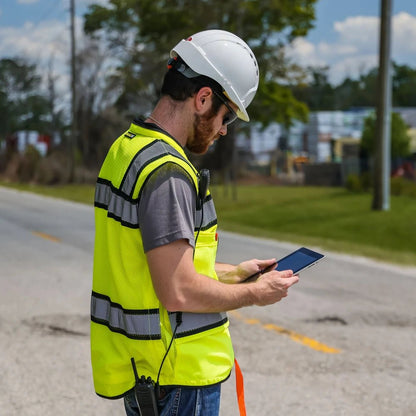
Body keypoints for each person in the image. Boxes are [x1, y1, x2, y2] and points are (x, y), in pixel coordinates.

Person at [91, 29, 299, 416]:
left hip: (147, 369)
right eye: (227, 117)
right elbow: (178, 291)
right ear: (203, 98)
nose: (223, 130)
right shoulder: (167, 172)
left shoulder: (127, 149)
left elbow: (155, 264)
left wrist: (235, 273)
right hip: (178, 377)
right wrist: (256, 294)